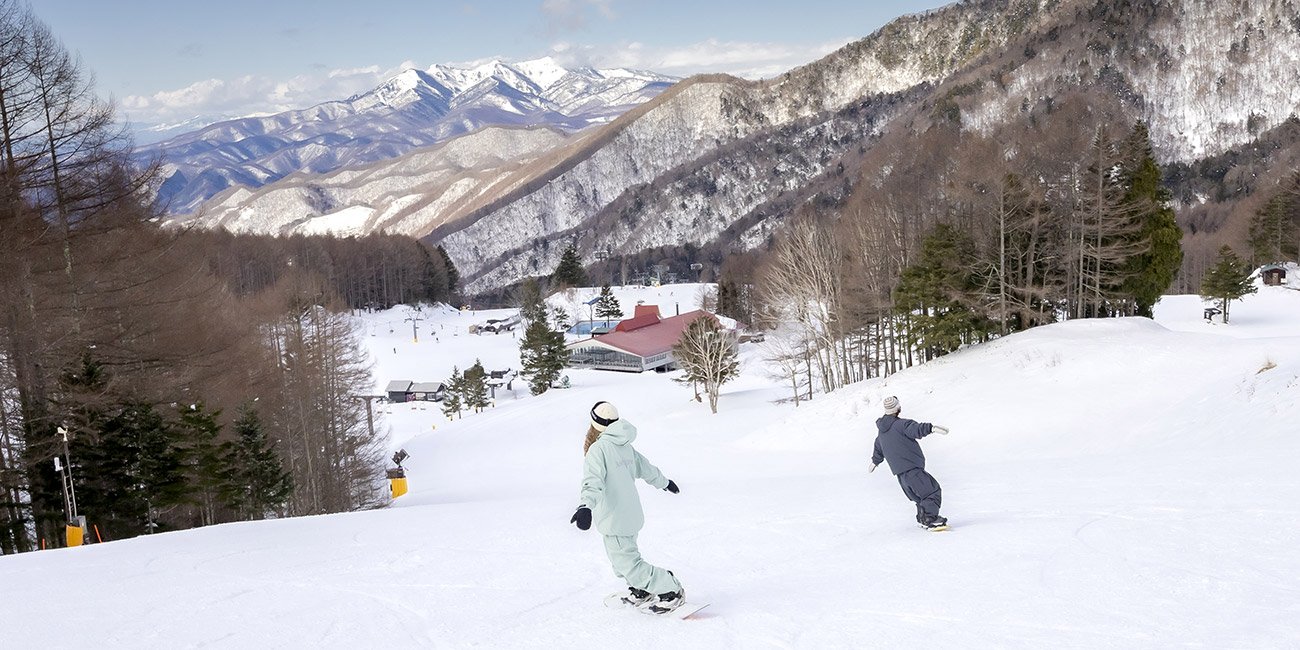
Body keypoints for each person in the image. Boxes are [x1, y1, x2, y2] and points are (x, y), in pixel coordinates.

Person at [570, 401, 685, 613]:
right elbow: (646, 469)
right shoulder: (625, 445)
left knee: (628, 564)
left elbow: (592, 482)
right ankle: (641, 589)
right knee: (622, 560)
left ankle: (670, 589)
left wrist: (585, 506)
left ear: (594, 424)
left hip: (616, 518)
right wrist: (664, 482)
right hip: (630, 515)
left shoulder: (599, 449)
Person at [870, 395, 951, 529]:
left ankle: (922, 517)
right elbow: (916, 429)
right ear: (898, 408)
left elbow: (878, 447)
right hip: (912, 469)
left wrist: (875, 462)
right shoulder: (901, 425)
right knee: (931, 492)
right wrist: (931, 428)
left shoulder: (882, 433)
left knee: (920, 497)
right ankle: (930, 519)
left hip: (901, 476)